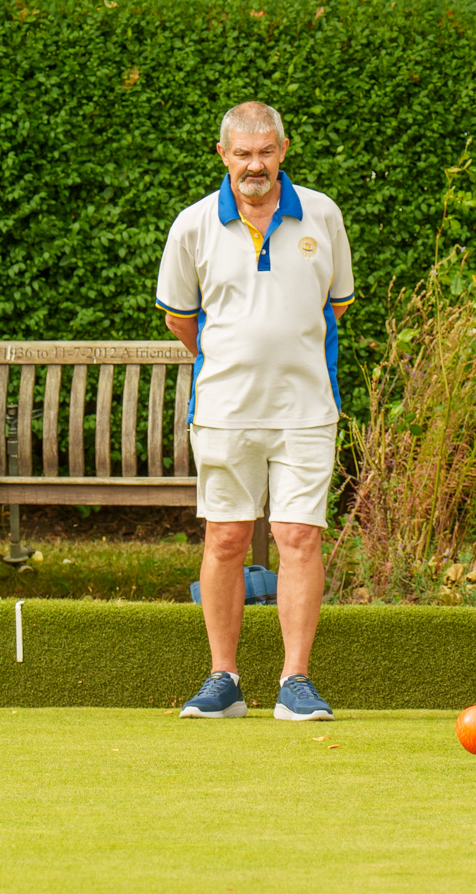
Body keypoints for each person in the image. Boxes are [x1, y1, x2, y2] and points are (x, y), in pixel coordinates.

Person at [156, 101, 355, 721]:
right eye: (242, 153)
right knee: (226, 539)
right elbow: (180, 320)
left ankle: (296, 681)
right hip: (223, 410)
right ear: (223, 155)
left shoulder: (323, 214)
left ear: (283, 150)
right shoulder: (192, 224)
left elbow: (336, 305)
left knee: (299, 537)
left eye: (266, 151)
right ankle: (224, 679)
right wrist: (236, 359)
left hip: (306, 409)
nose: (255, 165)